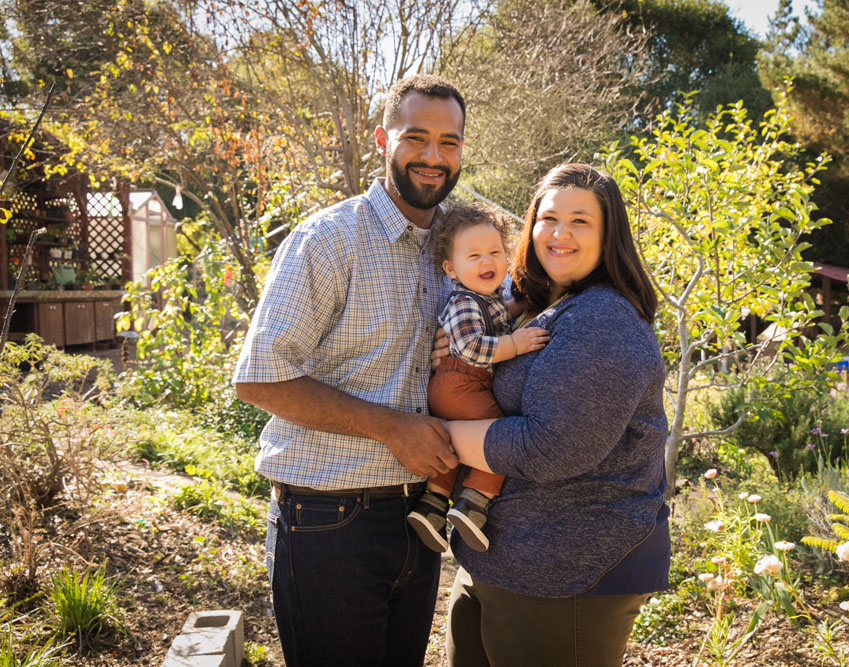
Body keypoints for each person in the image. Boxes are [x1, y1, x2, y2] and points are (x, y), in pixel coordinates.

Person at [232, 74, 466, 667]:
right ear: (383, 139)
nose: (434, 157)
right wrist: (393, 428)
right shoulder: (330, 239)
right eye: (417, 138)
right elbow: (258, 376)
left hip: (421, 517)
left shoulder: (459, 243)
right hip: (328, 521)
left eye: (450, 142)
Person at [441, 163, 672, 667]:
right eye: (549, 218)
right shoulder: (538, 306)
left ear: (610, 234)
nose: (560, 233)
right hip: (499, 560)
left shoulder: (603, 319)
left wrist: (435, 434)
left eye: (581, 221)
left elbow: (550, 448)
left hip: (569, 572)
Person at [406, 203, 549, 553]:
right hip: (461, 382)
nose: (487, 262)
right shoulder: (463, 301)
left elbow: (501, 313)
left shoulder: (488, 297)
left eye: (495, 253)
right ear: (451, 269)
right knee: (497, 438)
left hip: (456, 387)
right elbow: (470, 347)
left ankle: (433, 505)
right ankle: (474, 502)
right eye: (474, 256)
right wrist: (513, 344)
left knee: (452, 445)